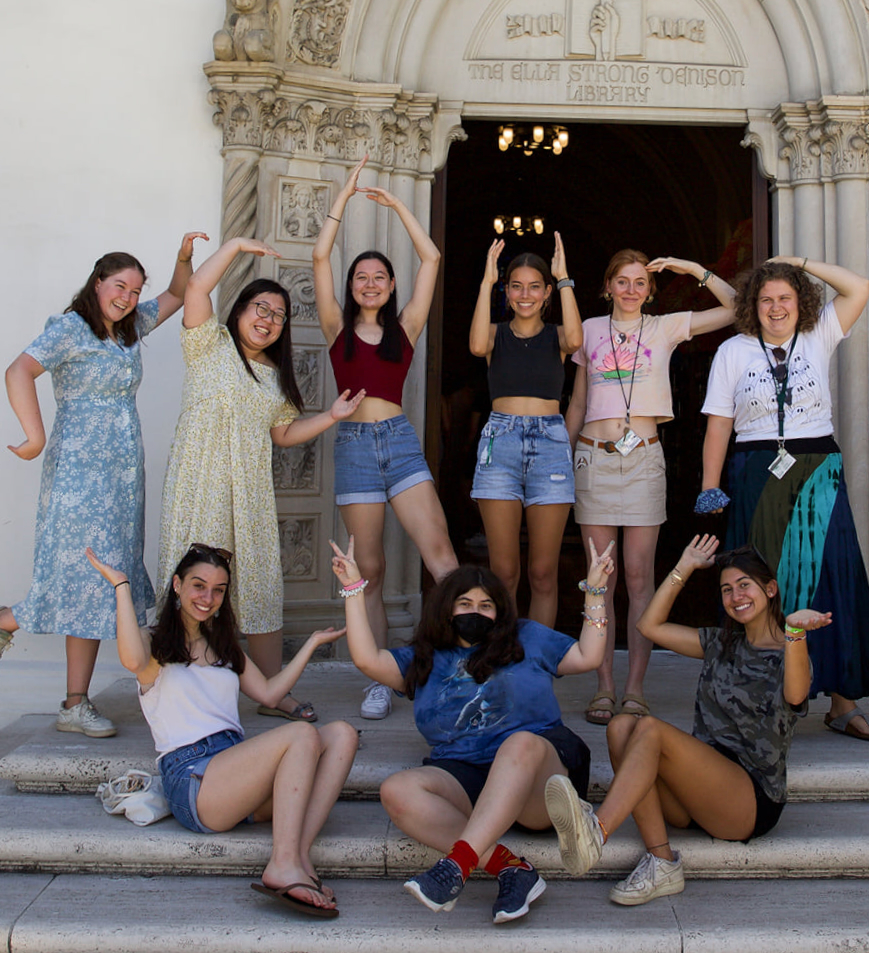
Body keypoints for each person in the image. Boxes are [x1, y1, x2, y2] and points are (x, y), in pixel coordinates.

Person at [0, 233, 207, 737]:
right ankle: (0, 622)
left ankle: (74, 705)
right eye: (119, 286)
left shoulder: (129, 327)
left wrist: (183, 259)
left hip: (122, 469)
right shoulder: (69, 328)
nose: (127, 297)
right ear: (97, 282)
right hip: (79, 468)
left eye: (133, 289)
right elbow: (19, 370)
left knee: (106, 583)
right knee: (79, 574)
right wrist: (34, 436)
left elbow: (177, 292)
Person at [329, 536, 613, 924]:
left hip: (541, 774)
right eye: (465, 604)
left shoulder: (526, 637)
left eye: (485, 605)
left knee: (519, 745)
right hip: (465, 772)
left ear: (500, 613)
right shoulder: (425, 656)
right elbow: (365, 658)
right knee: (397, 790)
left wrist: (595, 589)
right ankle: (512, 868)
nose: (475, 612)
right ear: (447, 610)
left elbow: (589, 655)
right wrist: (353, 589)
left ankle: (456, 866)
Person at [544, 534, 829, 904]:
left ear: (770, 589)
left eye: (745, 585)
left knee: (646, 726)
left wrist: (795, 634)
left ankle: (595, 831)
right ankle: (662, 862)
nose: (736, 596)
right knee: (620, 727)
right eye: (727, 590)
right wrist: (684, 567)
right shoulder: (719, 643)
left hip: (748, 800)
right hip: (695, 791)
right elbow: (649, 627)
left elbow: (794, 696)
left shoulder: (789, 653)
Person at [158, 237, 365, 724]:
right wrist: (234, 246)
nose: (268, 319)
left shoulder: (275, 376)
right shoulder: (209, 343)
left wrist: (331, 415)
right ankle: (186, 686)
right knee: (198, 583)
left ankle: (270, 691)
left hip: (249, 490)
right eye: (260, 308)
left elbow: (284, 434)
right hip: (200, 481)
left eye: (278, 315)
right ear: (240, 310)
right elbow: (196, 287)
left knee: (259, 585)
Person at [86, 545, 356, 916]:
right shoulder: (156, 646)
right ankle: (282, 864)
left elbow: (271, 693)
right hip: (193, 778)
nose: (207, 598)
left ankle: (298, 859)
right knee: (300, 735)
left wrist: (309, 644)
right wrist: (121, 587)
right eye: (199, 586)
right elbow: (131, 659)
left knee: (342, 734)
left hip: (235, 775)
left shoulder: (225, 648)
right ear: (177, 585)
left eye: (218, 589)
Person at [697, 256, 869, 742]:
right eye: (766, 300)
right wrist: (709, 486)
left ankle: (843, 704)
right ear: (752, 307)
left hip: (817, 468)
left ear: (799, 302)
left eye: (785, 298)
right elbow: (719, 424)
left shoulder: (819, 333)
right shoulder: (733, 352)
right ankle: (753, 696)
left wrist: (798, 262)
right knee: (758, 583)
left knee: (833, 577)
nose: (776, 308)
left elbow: (859, 286)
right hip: (755, 470)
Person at [313, 156, 459, 720]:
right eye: (362, 277)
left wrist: (398, 206)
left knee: (442, 558)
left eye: (379, 276)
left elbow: (432, 257)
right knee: (368, 570)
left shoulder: (406, 328)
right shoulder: (336, 328)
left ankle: (452, 663)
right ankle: (377, 675)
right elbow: (321, 256)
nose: (369, 283)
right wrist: (343, 200)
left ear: (391, 285)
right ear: (353, 287)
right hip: (353, 449)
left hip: (399, 444)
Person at [565, 249, 736, 725]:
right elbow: (578, 400)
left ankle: (635, 687)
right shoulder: (590, 330)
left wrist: (691, 268)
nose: (631, 290)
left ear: (650, 289)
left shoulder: (664, 327)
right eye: (622, 281)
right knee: (601, 581)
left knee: (640, 580)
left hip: (643, 460)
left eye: (640, 282)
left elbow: (736, 308)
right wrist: (561, 459)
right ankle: (604, 686)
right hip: (593, 460)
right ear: (607, 287)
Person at [468, 234, 582, 627]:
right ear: (506, 290)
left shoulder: (558, 338)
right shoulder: (496, 335)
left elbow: (577, 339)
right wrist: (486, 282)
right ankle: (503, 657)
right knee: (504, 572)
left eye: (535, 286)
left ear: (547, 291)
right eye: (516, 286)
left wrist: (564, 278)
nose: (525, 294)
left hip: (549, 442)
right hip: (501, 442)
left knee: (543, 572)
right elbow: (475, 343)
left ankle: (536, 663)